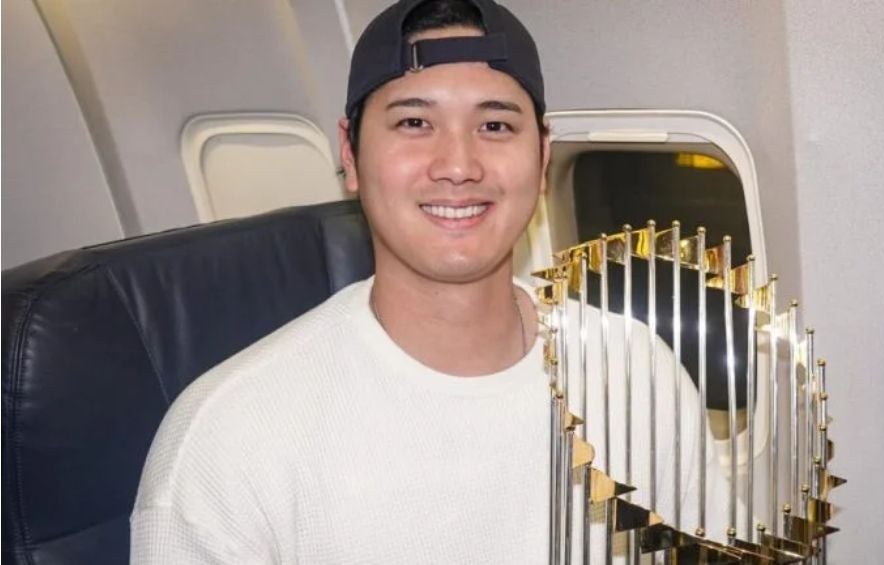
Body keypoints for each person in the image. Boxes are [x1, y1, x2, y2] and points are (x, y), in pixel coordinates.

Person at [130, 1, 731, 562]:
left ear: (544, 157)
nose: (458, 166)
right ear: (350, 153)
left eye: (495, 126)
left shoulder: (635, 372)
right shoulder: (227, 441)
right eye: (415, 122)